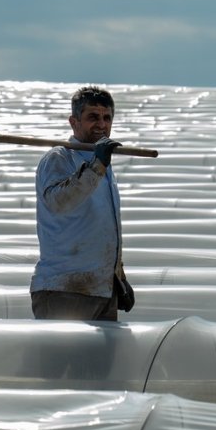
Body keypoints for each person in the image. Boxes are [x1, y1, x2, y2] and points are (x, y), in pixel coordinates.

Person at [30, 85, 135, 321]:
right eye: (92, 117)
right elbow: (59, 203)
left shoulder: (104, 168)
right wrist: (97, 166)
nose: (101, 124)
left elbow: (104, 228)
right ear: (73, 122)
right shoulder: (59, 158)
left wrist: (118, 278)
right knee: (60, 357)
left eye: (107, 118)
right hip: (64, 289)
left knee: (97, 359)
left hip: (101, 290)